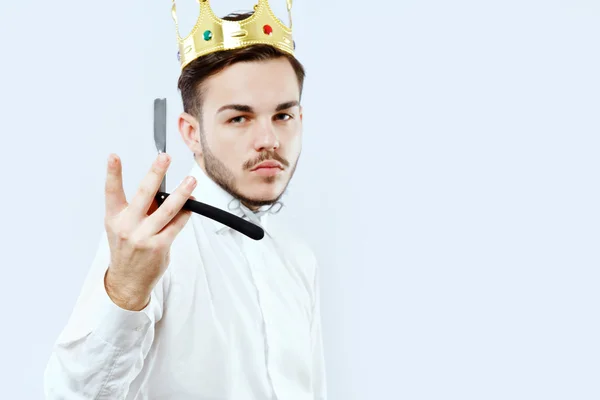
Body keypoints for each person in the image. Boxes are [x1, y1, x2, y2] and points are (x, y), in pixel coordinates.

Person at [43, 2, 327, 399]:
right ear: (191, 133)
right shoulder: (149, 244)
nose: (269, 140)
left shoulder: (298, 258)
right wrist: (125, 290)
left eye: (283, 115)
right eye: (239, 118)